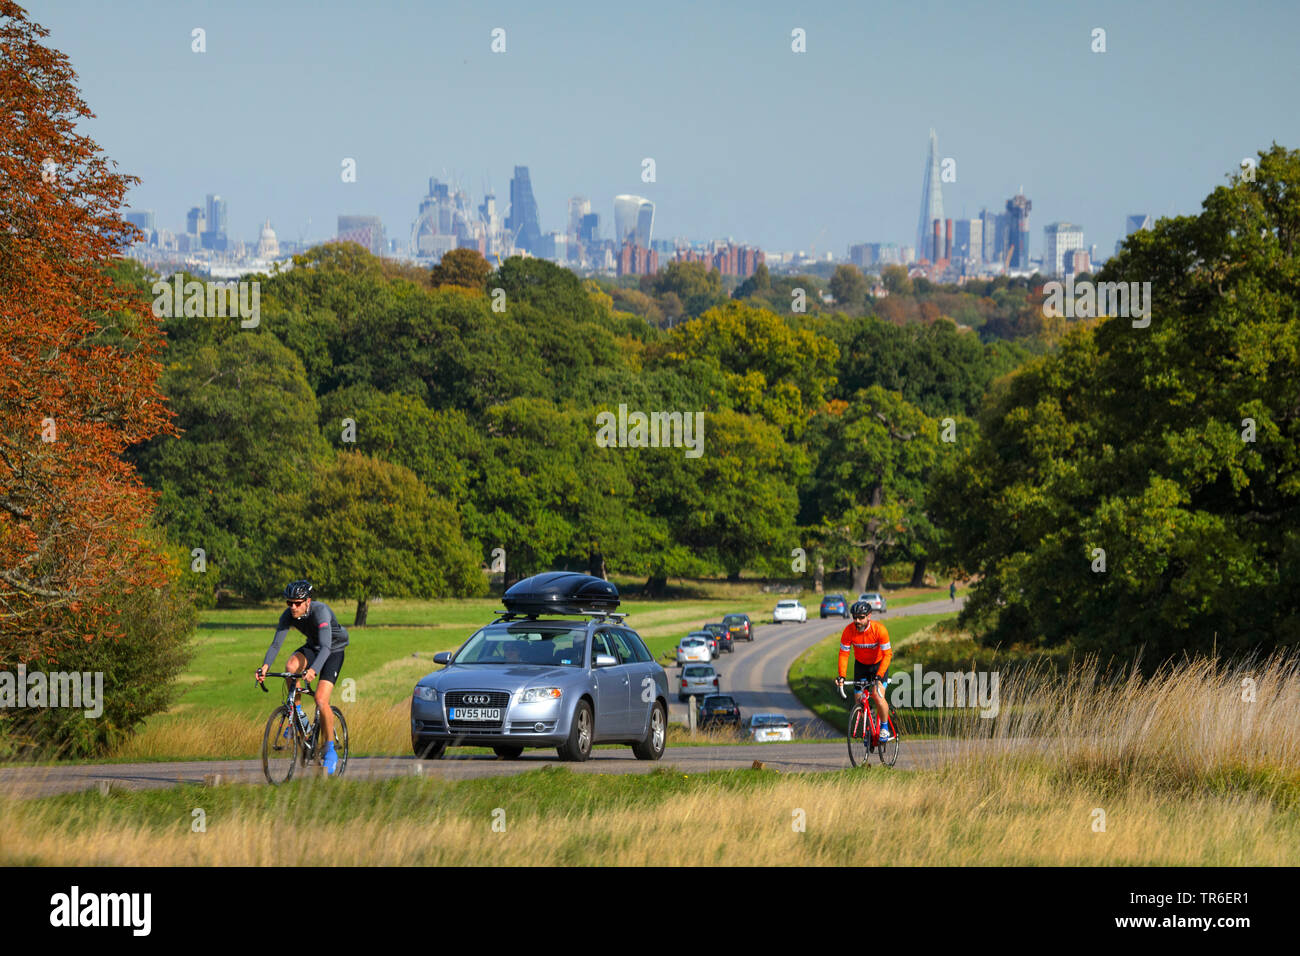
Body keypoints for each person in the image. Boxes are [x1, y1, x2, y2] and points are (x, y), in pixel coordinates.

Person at [256, 580, 349, 775]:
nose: (293, 607)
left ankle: (330, 750)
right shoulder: (288, 615)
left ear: (308, 601)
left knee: (320, 699)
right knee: (291, 667)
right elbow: (275, 645)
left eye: (297, 603)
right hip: (314, 646)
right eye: (289, 603)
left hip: (333, 650)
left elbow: (326, 648)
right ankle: (297, 715)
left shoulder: (320, 612)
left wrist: (314, 670)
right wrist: (264, 667)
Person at [834, 600, 893, 740]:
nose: (857, 620)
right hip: (861, 666)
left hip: (879, 665)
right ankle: (869, 727)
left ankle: (884, 727)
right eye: (855, 617)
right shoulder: (848, 631)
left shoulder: (880, 630)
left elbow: (888, 654)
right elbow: (844, 654)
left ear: (869, 616)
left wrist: (879, 676)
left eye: (861, 617)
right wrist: (841, 676)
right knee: (859, 701)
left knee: (877, 696)